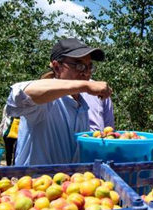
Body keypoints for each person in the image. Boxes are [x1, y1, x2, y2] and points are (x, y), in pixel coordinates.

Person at [6, 38, 112, 166]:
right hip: (33, 179)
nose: (86, 73)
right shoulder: (46, 102)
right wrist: (85, 86)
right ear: (57, 67)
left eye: (89, 67)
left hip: (66, 179)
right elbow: (19, 93)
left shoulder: (82, 106)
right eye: (79, 66)